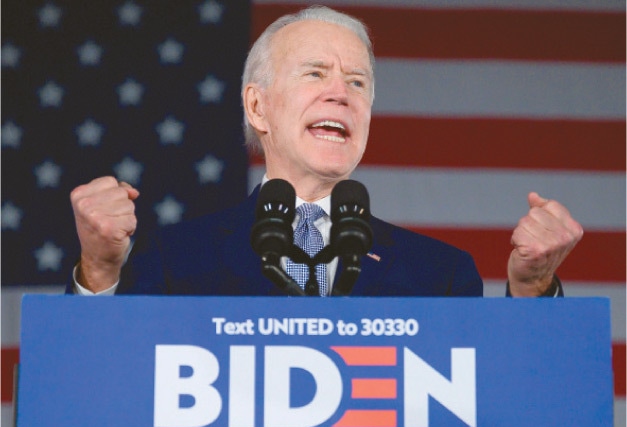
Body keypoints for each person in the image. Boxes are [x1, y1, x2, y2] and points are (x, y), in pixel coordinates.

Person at [68, 5, 582, 297]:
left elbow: (497, 403)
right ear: (257, 106)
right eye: (315, 73)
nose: (341, 92)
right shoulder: (174, 259)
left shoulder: (439, 275)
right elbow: (103, 393)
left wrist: (533, 288)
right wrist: (98, 272)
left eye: (357, 82)